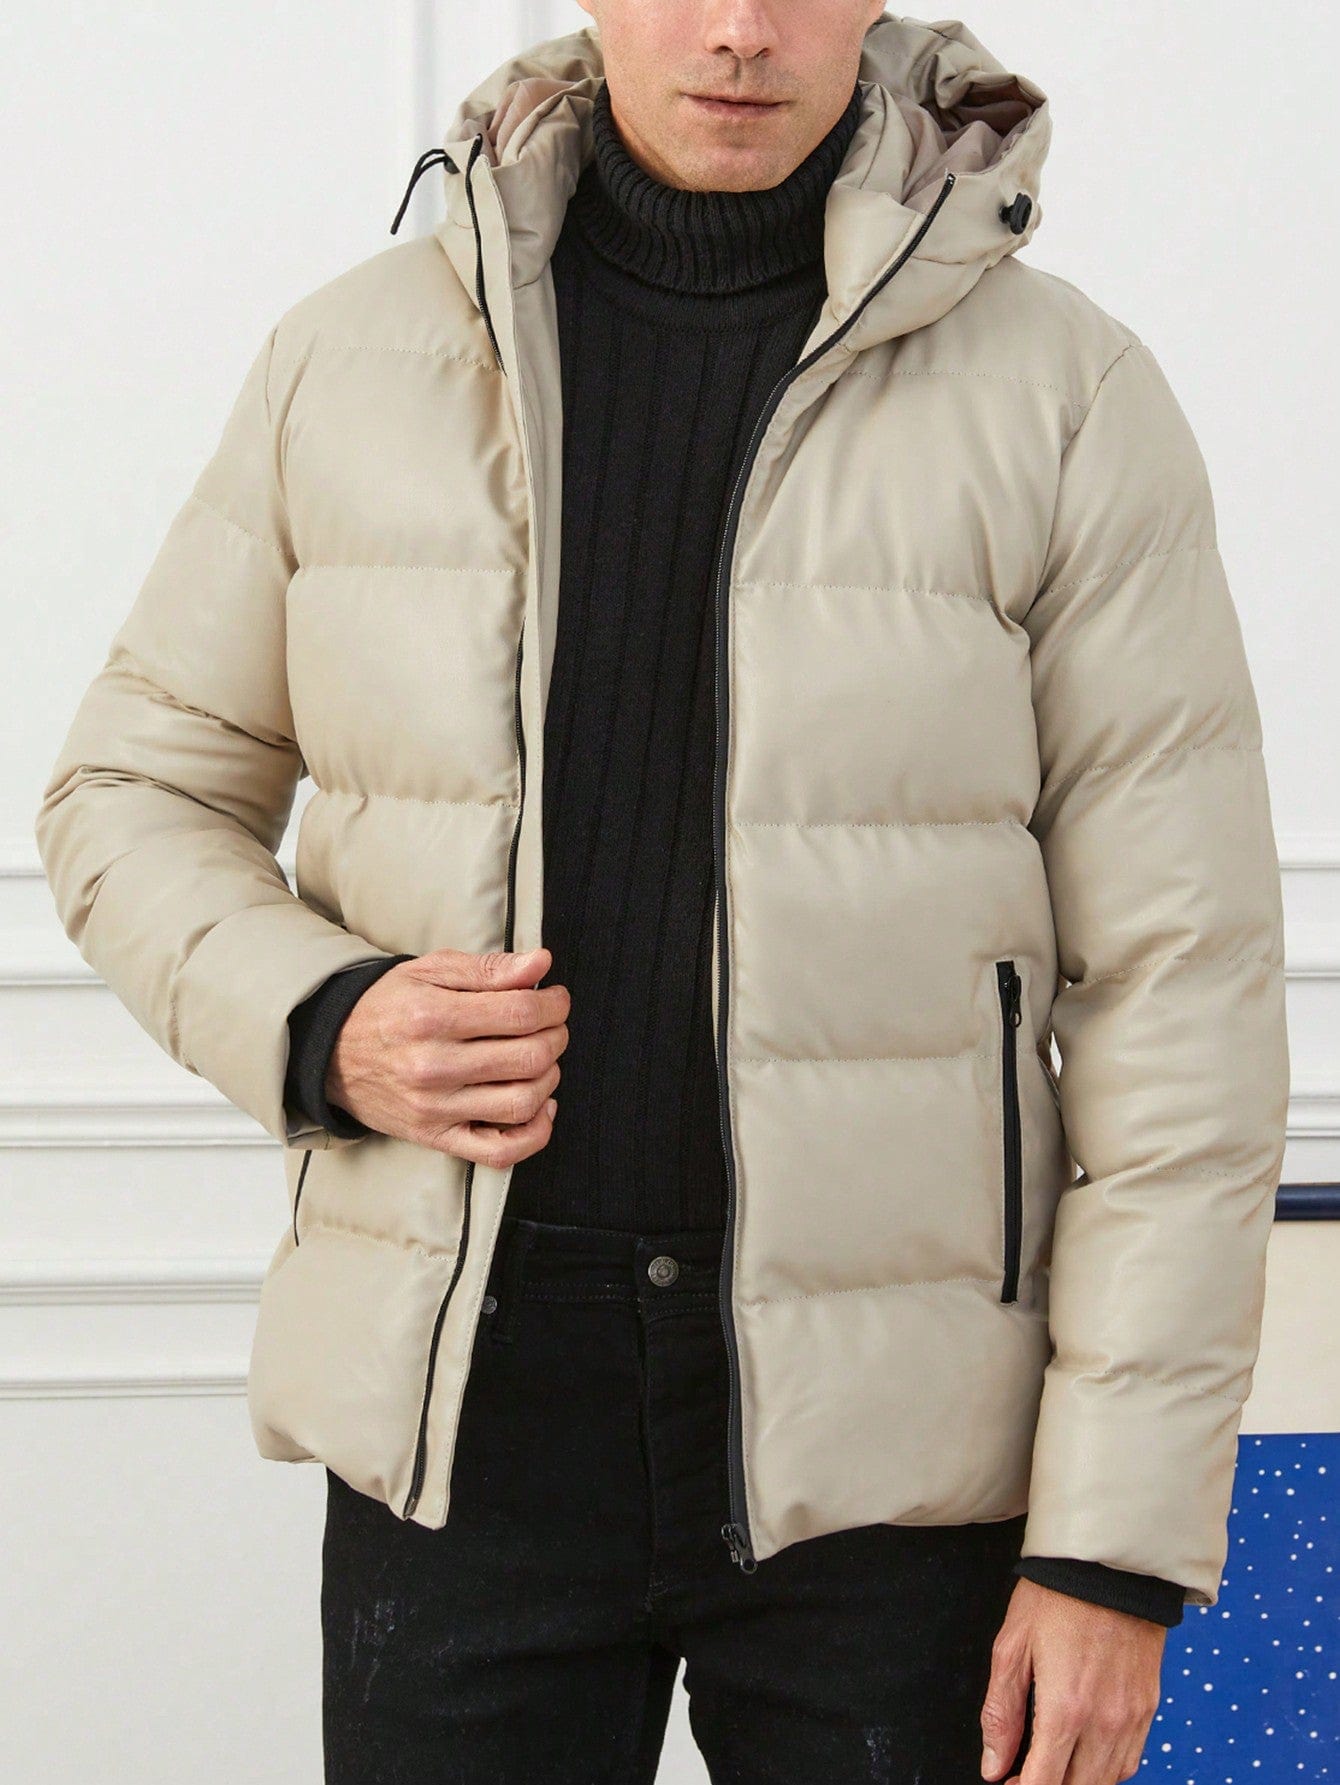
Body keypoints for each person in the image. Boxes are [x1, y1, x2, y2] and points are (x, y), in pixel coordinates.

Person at [34, 5, 1289, 1782]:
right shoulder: (351, 361)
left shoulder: (1068, 397)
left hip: (901, 1443)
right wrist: (324, 1022)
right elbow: (129, 791)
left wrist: (1113, 1551)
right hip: (467, 1410)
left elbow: (1186, 991)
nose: (739, 31)